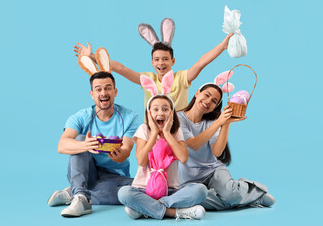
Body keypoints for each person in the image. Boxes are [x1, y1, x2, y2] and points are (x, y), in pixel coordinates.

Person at [73, 18, 233, 112]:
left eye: (165, 59)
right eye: (156, 59)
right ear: (152, 62)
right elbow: (121, 68)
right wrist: (92, 56)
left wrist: (222, 46)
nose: (161, 63)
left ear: (173, 61)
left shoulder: (182, 77)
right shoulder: (147, 79)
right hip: (153, 134)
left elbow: (201, 62)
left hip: (178, 133)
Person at [47, 71, 139, 217]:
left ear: (115, 92)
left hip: (113, 177)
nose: (103, 93)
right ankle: (81, 199)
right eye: (98, 89)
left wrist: (114, 154)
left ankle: (76, 192)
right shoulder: (81, 116)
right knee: (79, 139)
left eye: (108, 88)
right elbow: (62, 145)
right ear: (92, 94)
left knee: (141, 189)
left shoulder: (130, 117)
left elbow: (125, 152)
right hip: (85, 172)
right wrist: (87, 145)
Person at [117, 73, 208, 220]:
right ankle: (173, 212)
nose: (161, 113)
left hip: (170, 190)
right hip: (143, 189)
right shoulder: (143, 129)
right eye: (156, 109)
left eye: (165, 109)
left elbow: (183, 158)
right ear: (149, 113)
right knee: (124, 193)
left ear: (171, 113)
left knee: (201, 190)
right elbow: (141, 160)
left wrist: (167, 133)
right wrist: (154, 134)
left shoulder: (176, 132)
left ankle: (147, 208)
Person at [177, 83, 275, 210]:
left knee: (225, 195)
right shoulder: (179, 118)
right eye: (206, 95)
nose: (208, 101)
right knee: (195, 199)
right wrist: (220, 121)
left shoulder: (212, 123)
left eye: (214, 101)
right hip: (188, 178)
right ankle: (244, 196)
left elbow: (217, 152)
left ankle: (244, 192)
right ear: (197, 93)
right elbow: (193, 144)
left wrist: (226, 124)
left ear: (215, 107)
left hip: (213, 171)